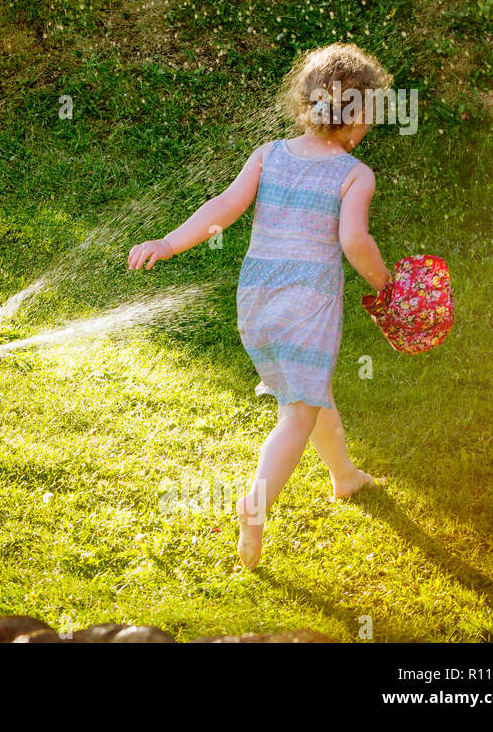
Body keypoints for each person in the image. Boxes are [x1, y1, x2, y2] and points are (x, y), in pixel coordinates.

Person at [128, 43, 393, 568]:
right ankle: (256, 504)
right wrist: (385, 284)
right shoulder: (355, 173)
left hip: (256, 298)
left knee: (308, 390)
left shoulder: (269, 153)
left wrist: (168, 243)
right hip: (307, 301)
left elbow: (223, 208)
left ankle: (344, 476)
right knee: (297, 412)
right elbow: (354, 241)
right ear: (358, 115)